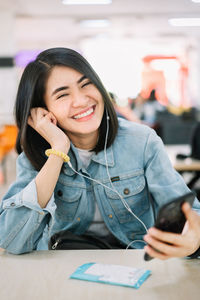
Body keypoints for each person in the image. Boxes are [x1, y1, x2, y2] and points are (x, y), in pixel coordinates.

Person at [0, 47, 200, 259]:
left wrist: (193, 238)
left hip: (137, 264)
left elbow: (190, 211)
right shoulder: (39, 155)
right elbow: (13, 239)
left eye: (86, 84)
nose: (81, 100)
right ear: (42, 111)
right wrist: (58, 150)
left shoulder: (141, 141)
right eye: (63, 95)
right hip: (65, 270)